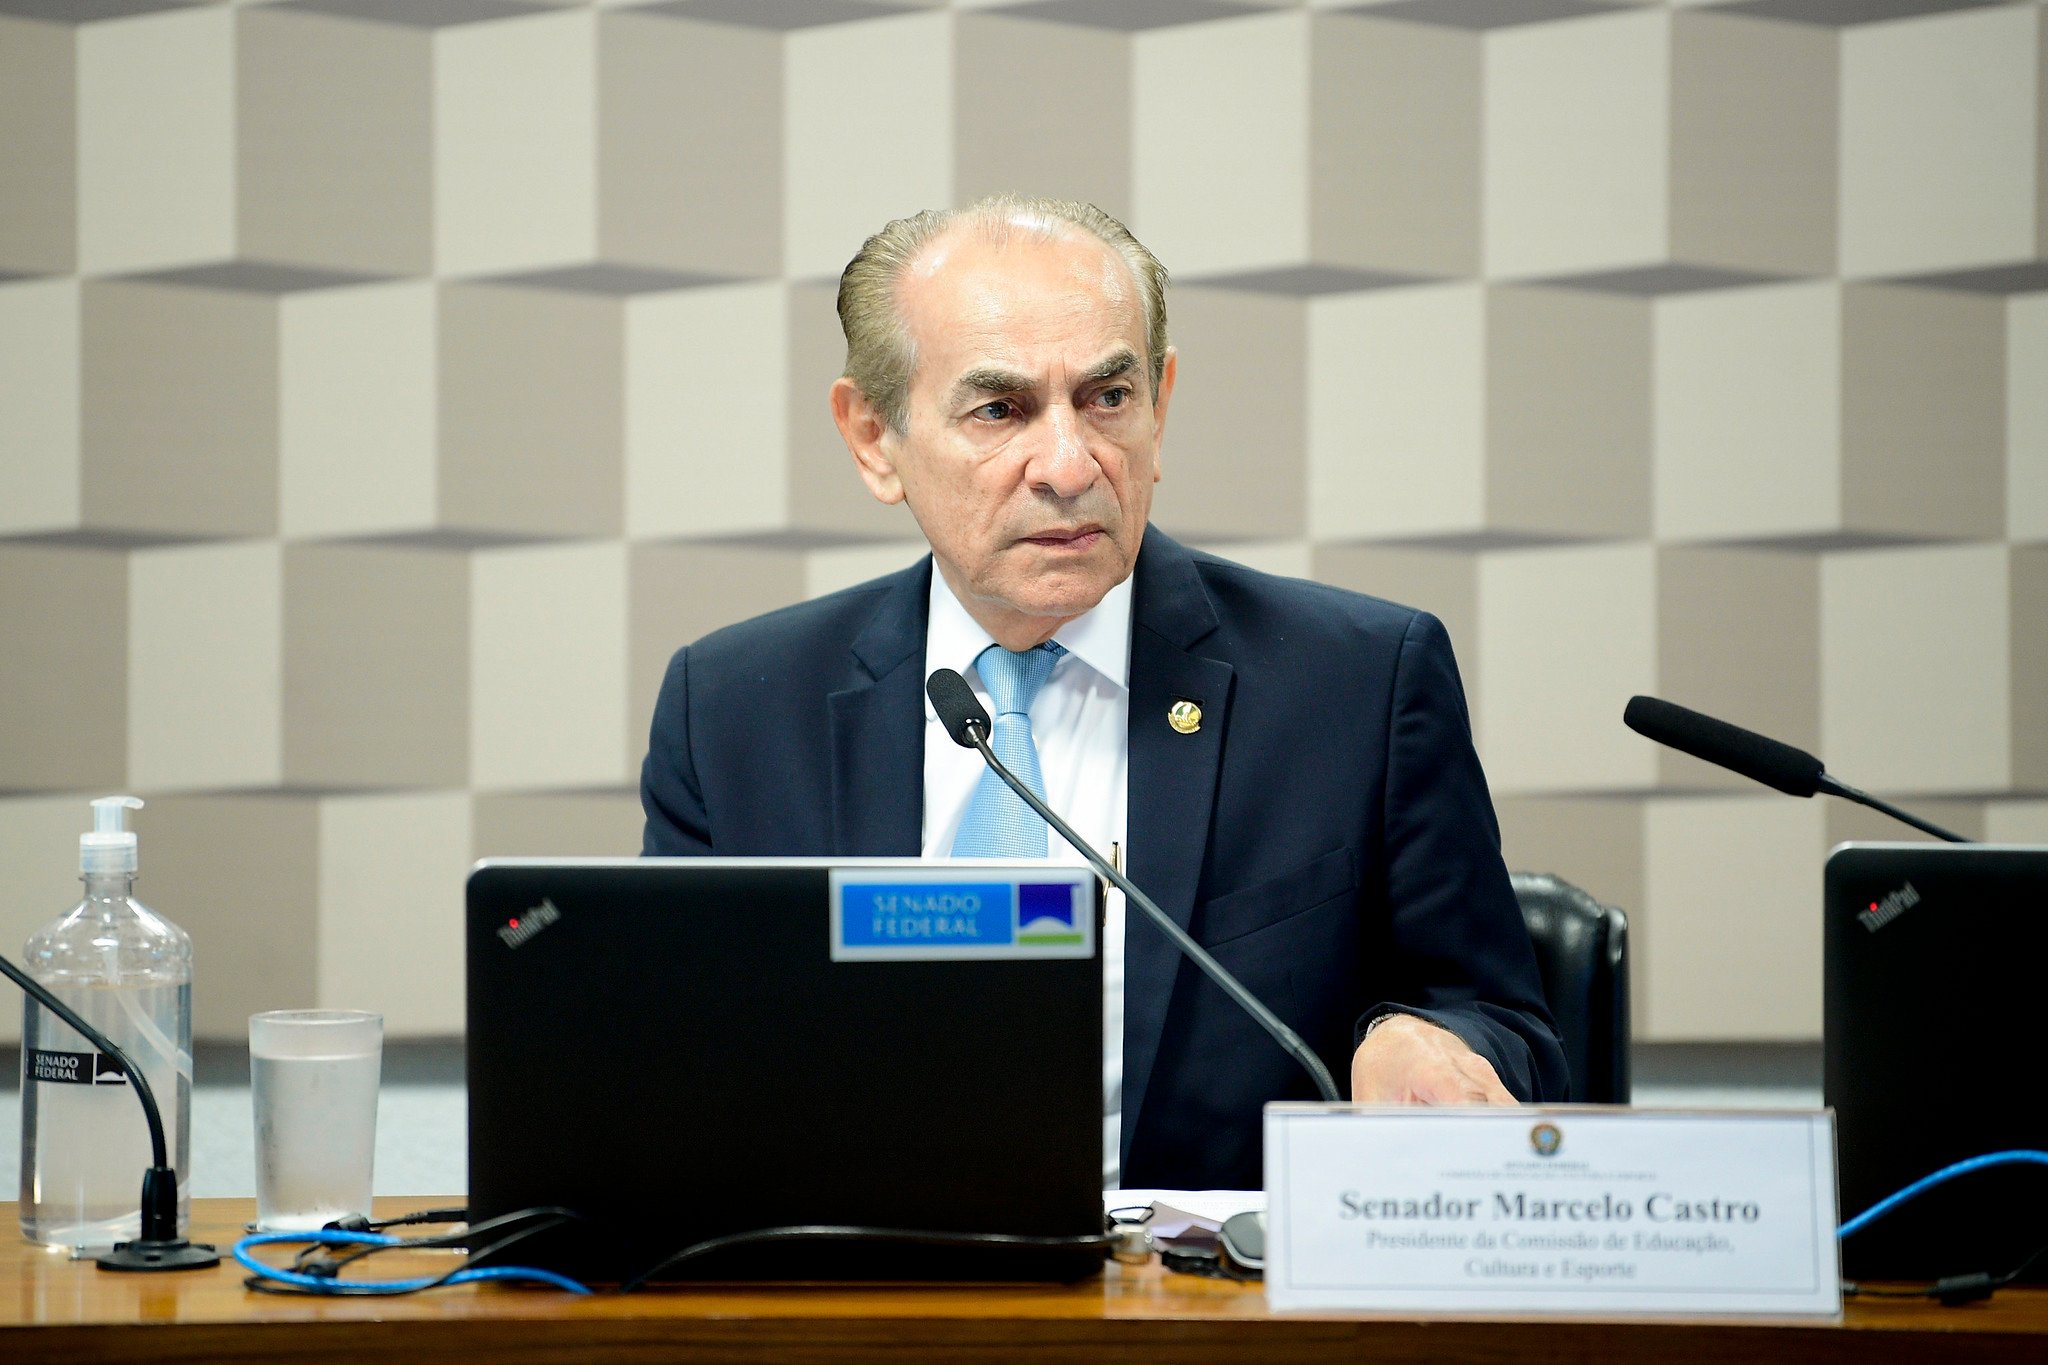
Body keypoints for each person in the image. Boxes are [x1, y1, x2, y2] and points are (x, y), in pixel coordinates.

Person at [641, 195, 1565, 1190]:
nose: (1070, 465)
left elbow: (1503, 1025)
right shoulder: (733, 710)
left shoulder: (1355, 684)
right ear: (874, 437)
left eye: (1106, 398)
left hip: (1212, 1319)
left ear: (1159, 405)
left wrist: (1407, 1038)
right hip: (860, 1309)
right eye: (999, 409)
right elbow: (657, 1066)